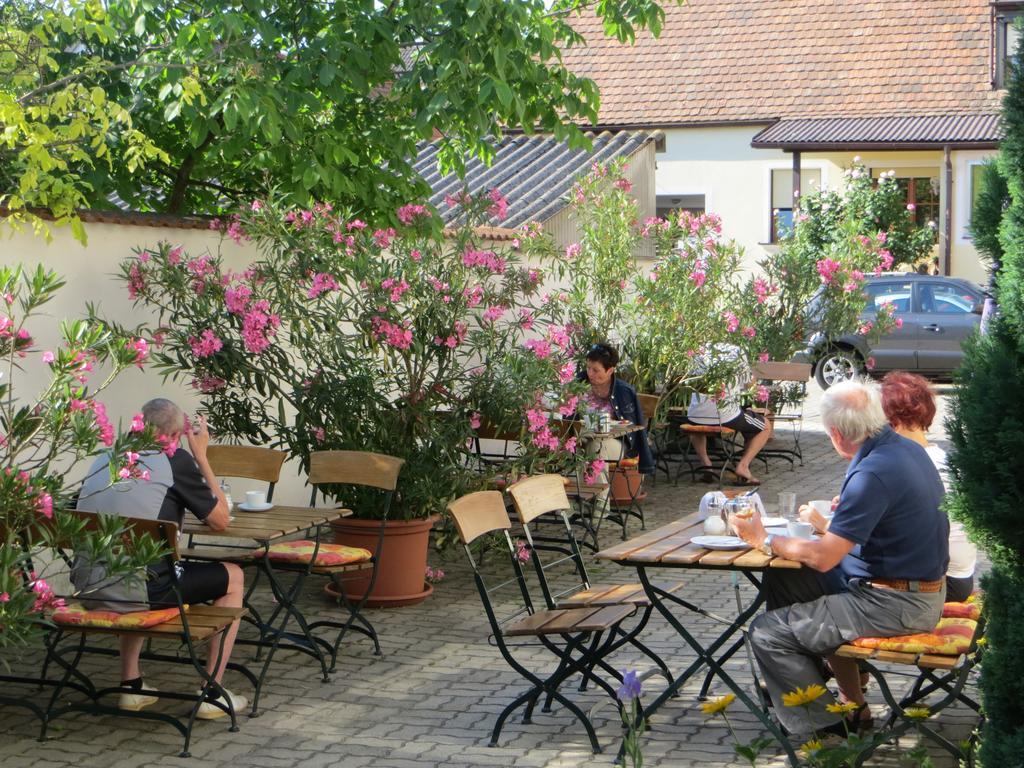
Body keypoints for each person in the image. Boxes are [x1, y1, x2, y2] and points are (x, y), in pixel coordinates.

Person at [730, 379, 948, 738]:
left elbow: (824, 556)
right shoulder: (903, 451)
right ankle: (847, 702)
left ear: (834, 433)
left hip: (897, 602)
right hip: (908, 588)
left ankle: (831, 728)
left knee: (767, 633)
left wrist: (763, 538)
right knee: (786, 581)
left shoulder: (874, 471)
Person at [73, 398, 247, 718]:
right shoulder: (174, 459)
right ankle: (212, 692)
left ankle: (132, 686)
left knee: (137, 565)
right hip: (139, 592)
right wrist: (202, 457)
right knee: (234, 576)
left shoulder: (106, 456)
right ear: (177, 435)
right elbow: (221, 519)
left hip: (87, 586)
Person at [801, 372, 977, 602]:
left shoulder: (903, 461)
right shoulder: (933, 456)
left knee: (810, 573)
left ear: (890, 422)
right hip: (953, 575)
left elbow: (903, 539)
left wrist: (826, 525)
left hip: (936, 583)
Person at [685, 343, 771, 485]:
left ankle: (706, 464)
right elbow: (749, 384)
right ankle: (743, 466)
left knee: (698, 424)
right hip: (725, 415)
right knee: (765, 426)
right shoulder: (736, 350)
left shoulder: (698, 349)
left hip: (695, 415)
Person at [580, 342, 655, 474]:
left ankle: (600, 495)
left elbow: (635, 427)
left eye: (595, 370)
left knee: (596, 447)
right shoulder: (579, 383)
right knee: (568, 447)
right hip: (582, 437)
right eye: (588, 368)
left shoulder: (624, 391)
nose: (590, 373)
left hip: (615, 442)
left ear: (610, 370)